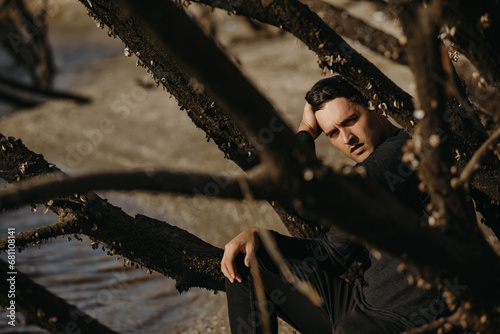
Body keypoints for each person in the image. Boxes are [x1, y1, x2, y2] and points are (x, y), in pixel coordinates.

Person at [221, 76, 446, 334]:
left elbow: (305, 200)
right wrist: (261, 237)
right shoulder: (367, 180)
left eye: (350, 121)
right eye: (333, 133)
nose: (347, 138)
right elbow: (332, 253)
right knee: (247, 262)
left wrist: (306, 129)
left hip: (398, 322)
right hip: (360, 308)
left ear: (377, 107)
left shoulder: (401, 155)